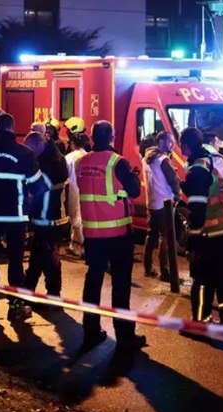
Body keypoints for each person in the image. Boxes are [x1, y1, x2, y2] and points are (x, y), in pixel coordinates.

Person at [75, 120, 146, 352]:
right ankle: (124, 337)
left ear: (92, 137)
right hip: (118, 233)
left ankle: (90, 331)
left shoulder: (82, 163)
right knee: (120, 285)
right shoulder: (118, 162)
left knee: (93, 282)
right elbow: (134, 191)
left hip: (92, 233)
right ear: (112, 137)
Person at [0, 113, 48, 323]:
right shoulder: (25, 153)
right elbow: (39, 187)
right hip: (16, 216)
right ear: (13, 128)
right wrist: (29, 204)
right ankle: (14, 307)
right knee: (15, 262)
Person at [180, 127, 223, 326]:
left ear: (185, 146)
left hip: (212, 236)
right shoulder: (216, 157)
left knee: (202, 280)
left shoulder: (197, 171)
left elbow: (197, 213)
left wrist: (192, 244)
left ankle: (201, 323)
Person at [23, 131, 69, 305]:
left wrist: (25, 186)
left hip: (49, 218)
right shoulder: (48, 157)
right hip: (44, 216)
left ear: (37, 145)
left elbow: (41, 187)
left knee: (50, 260)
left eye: (30, 149)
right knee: (38, 256)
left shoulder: (52, 161)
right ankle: (29, 292)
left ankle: (52, 297)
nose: (29, 153)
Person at [142, 131, 181, 280]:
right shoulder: (163, 160)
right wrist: (177, 195)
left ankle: (148, 267)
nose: (173, 145)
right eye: (170, 141)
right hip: (165, 203)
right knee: (166, 238)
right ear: (161, 142)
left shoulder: (146, 158)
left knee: (151, 235)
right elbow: (173, 180)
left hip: (151, 203)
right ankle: (166, 272)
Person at [64, 132, 90, 258]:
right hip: (87, 191)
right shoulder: (88, 156)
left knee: (75, 217)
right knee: (84, 217)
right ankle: (84, 246)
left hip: (74, 189)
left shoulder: (69, 157)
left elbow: (64, 175)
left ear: (73, 143)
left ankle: (77, 247)